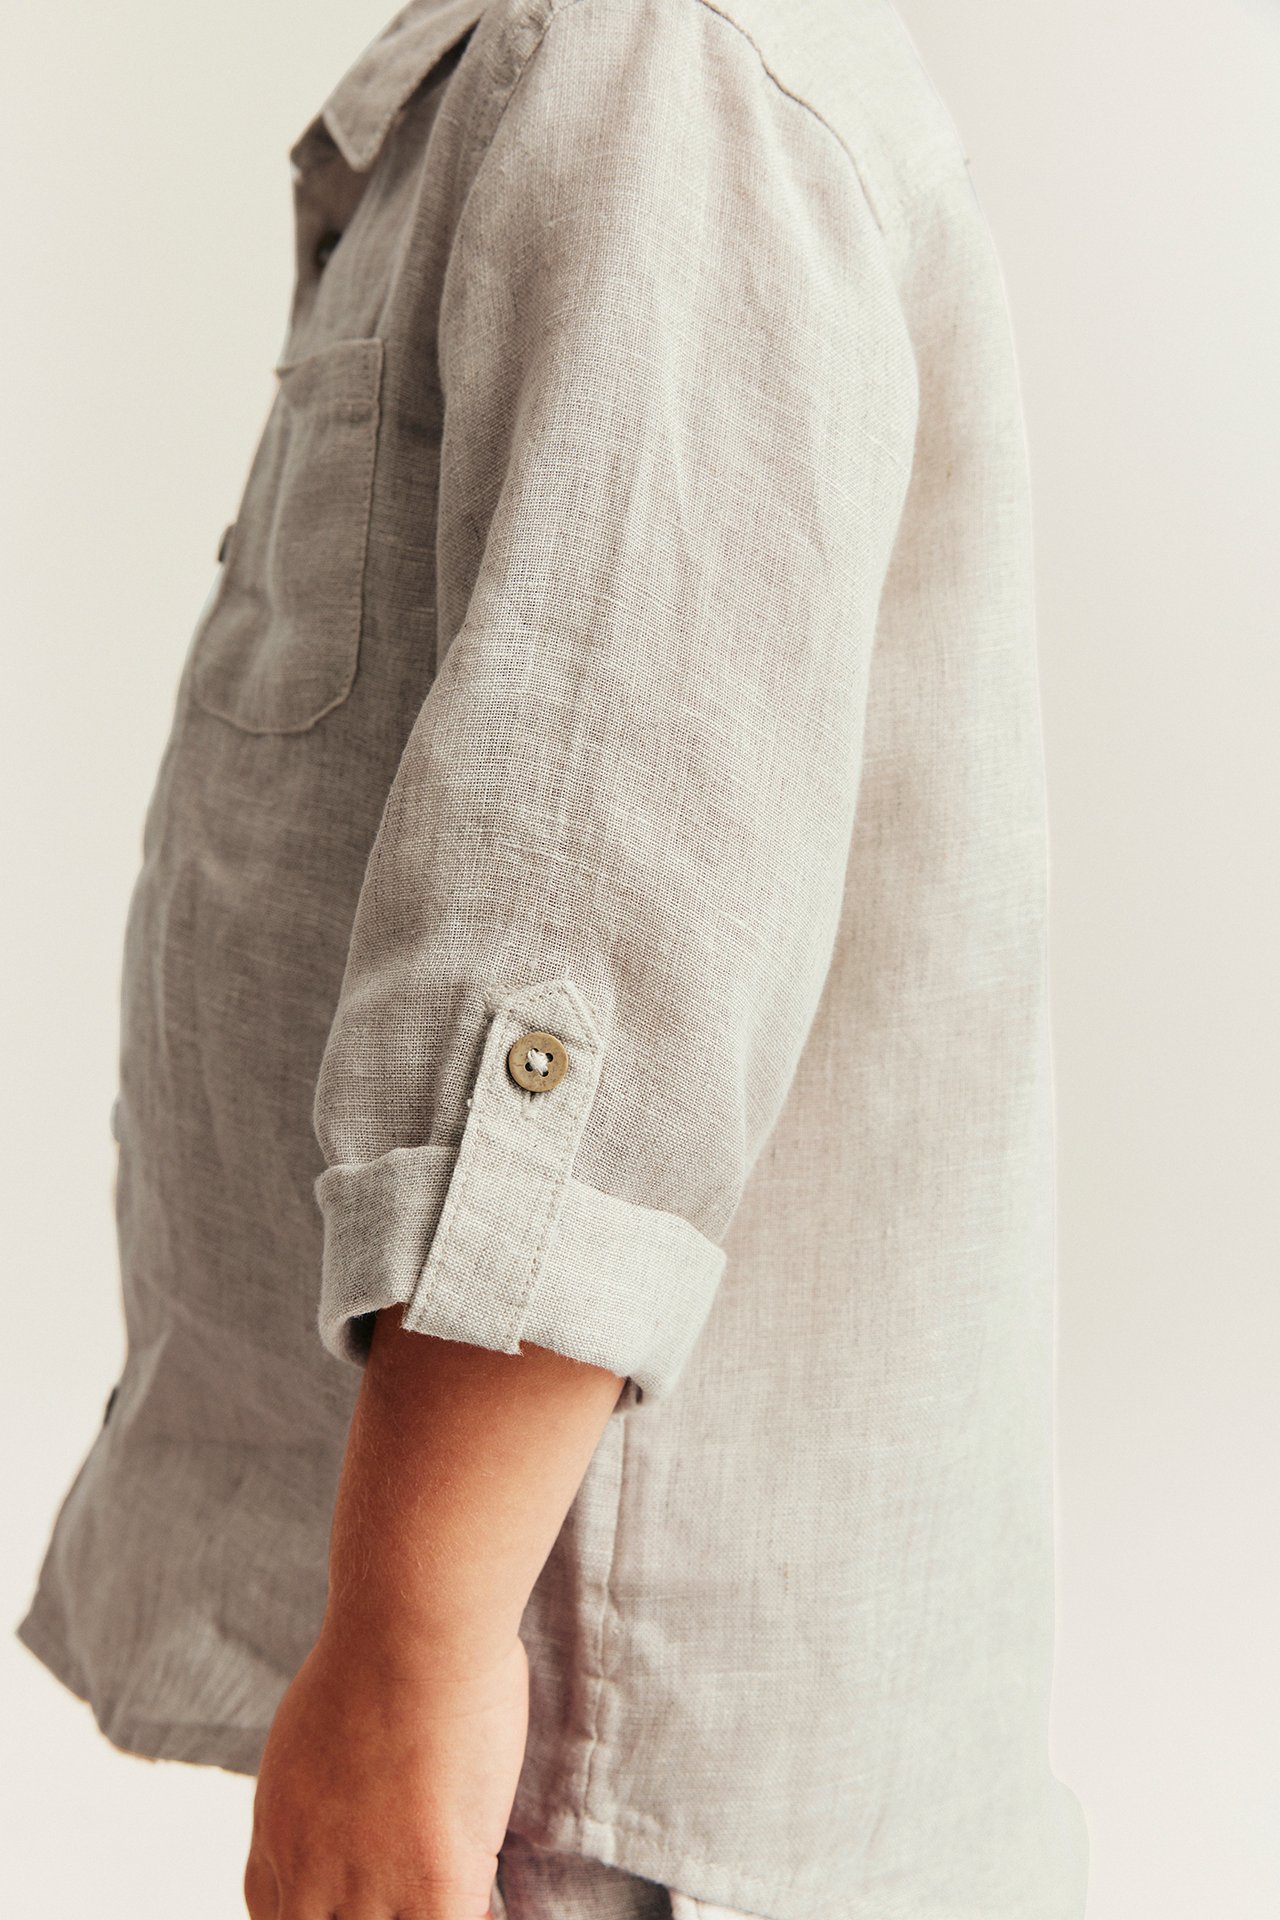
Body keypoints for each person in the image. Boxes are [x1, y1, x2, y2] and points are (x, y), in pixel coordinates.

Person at [14, 0, 1092, 1915]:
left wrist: (418, 1657)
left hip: (588, 1734)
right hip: (552, 1690)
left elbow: (586, 936)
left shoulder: (665, 78)